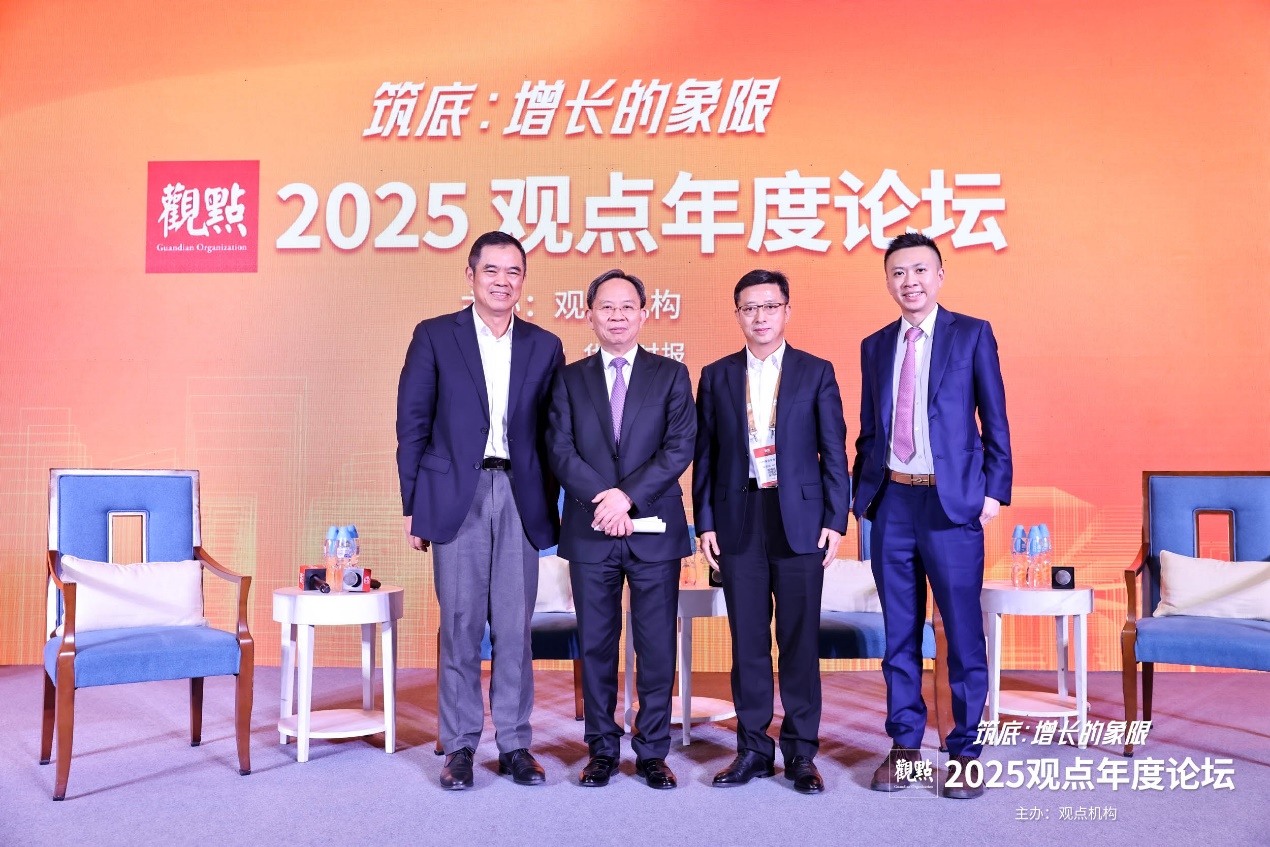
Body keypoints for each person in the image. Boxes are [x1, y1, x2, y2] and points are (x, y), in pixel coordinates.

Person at [396, 231, 565, 790]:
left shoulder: (545, 345)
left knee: (515, 628)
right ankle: (461, 747)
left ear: (523, 281)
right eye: (491, 270)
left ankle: (515, 744)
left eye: (513, 272)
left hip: (520, 494)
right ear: (470, 276)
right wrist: (413, 505)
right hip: (454, 497)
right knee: (461, 626)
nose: (502, 281)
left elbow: (553, 434)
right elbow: (412, 424)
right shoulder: (434, 335)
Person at [852, 231, 1012, 800]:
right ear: (888, 281)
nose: (910, 282)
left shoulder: (972, 333)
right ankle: (904, 748)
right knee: (899, 633)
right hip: (893, 502)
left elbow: (995, 418)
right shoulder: (875, 345)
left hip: (952, 503)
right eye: (898, 273)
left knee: (963, 633)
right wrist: (863, 498)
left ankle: (965, 752)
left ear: (940, 275)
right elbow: (870, 430)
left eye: (920, 270)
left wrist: (994, 492)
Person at [692, 269, 849, 795]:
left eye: (770, 306)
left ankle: (801, 753)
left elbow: (834, 452)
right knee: (748, 642)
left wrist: (836, 518)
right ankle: (754, 750)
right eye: (749, 307)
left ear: (787, 310)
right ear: (737, 313)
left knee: (800, 641)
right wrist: (705, 522)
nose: (760, 316)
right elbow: (706, 456)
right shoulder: (716, 375)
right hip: (738, 519)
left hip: (801, 522)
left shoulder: (816, 372)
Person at [546, 269, 695, 790]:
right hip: (591, 529)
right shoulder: (568, 378)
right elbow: (559, 449)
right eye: (606, 307)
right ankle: (602, 750)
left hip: (654, 529)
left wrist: (625, 497)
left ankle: (652, 751)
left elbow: (679, 447)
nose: (616, 316)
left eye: (627, 307)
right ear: (588, 315)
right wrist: (604, 499)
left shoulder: (671, 375)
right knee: (596, 645)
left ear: (644, 314)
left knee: (656, 646)